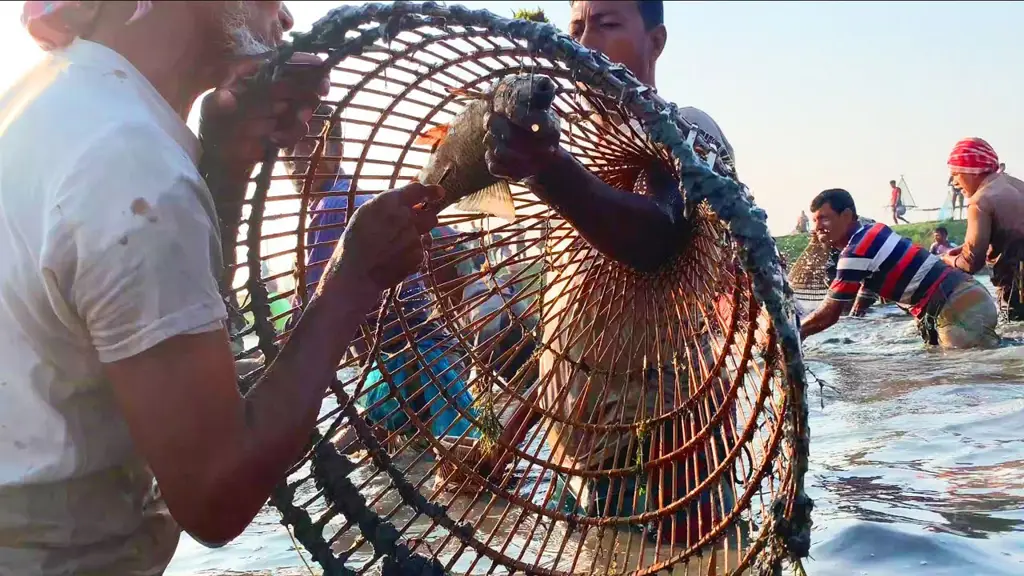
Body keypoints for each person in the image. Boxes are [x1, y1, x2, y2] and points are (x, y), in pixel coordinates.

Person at [0, 2, 444, 574]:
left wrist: (225, 168)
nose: (284, 15)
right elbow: (215, 497)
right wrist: (352, 281)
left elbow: (160, 315)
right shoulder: (133, 164)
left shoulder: (51, 105)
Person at [448, 0, 737, 544]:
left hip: (668, 448)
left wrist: (548, 170)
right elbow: (571, 331)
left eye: (607, 24)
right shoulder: (570, 155)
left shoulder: (687, 131)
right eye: (576, 28)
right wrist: (501, 447)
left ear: (656, 41)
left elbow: (659, 237)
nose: (584, 42)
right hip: (578, 451)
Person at [800, 189, 999, 348]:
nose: (817, 227)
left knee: (966, 380)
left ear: (846, 215)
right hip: (965, 298)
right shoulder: (873, 230)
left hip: (959, 308)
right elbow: (869, 284)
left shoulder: (855, 252)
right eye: (815, 220)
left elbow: (829, 313)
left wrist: (794, 333)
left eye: (824, 218)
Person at [941, 137, 1024, 321]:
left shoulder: (980, 201)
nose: (954, 182)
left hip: (1016, 291)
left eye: (956, 174)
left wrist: (948, 258)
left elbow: (971, 262)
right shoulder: (1016, 184)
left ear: (972, 171)